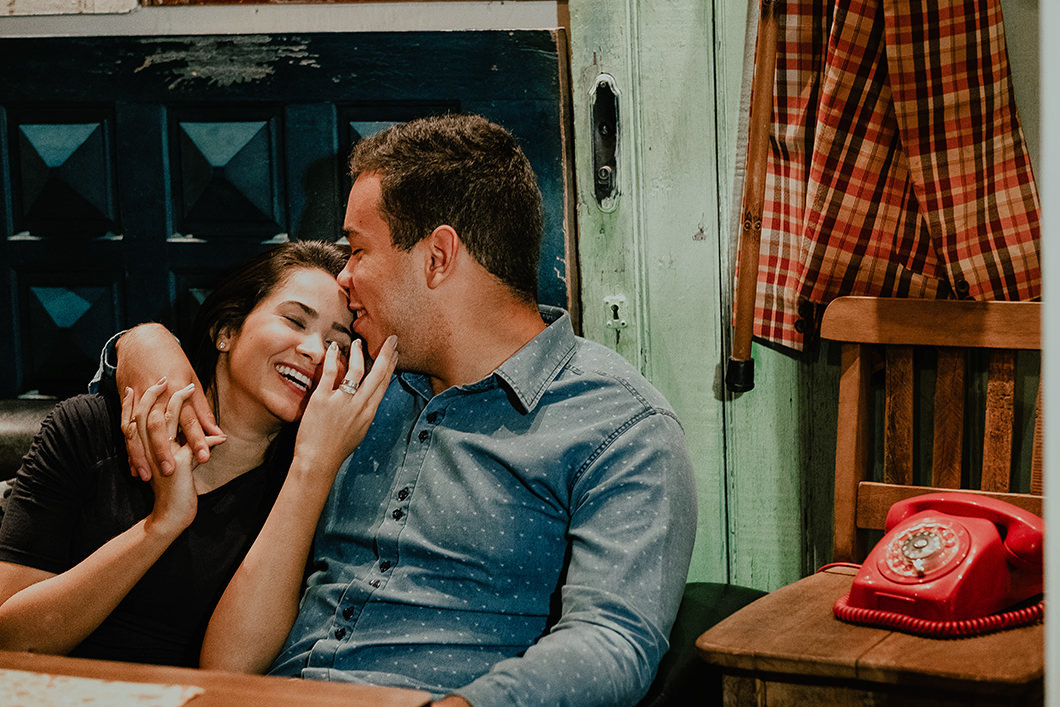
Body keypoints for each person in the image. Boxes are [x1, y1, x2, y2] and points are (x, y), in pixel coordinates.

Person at [106, 114, 697, 706]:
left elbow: (614, 641)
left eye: (358, 250)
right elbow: (230, 382)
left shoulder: (618, 428)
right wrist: (139, 344)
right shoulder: (348, 382)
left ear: (438, 256)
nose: (345, 276)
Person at [0, 240, 398, 667]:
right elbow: (11, 640)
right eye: (294, 321)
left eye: (338, 345)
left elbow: (232, 672)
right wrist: (161, 525)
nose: (315, 351)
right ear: (226, 330)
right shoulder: (92, 428)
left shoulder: (311, 488)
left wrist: (311, 470)